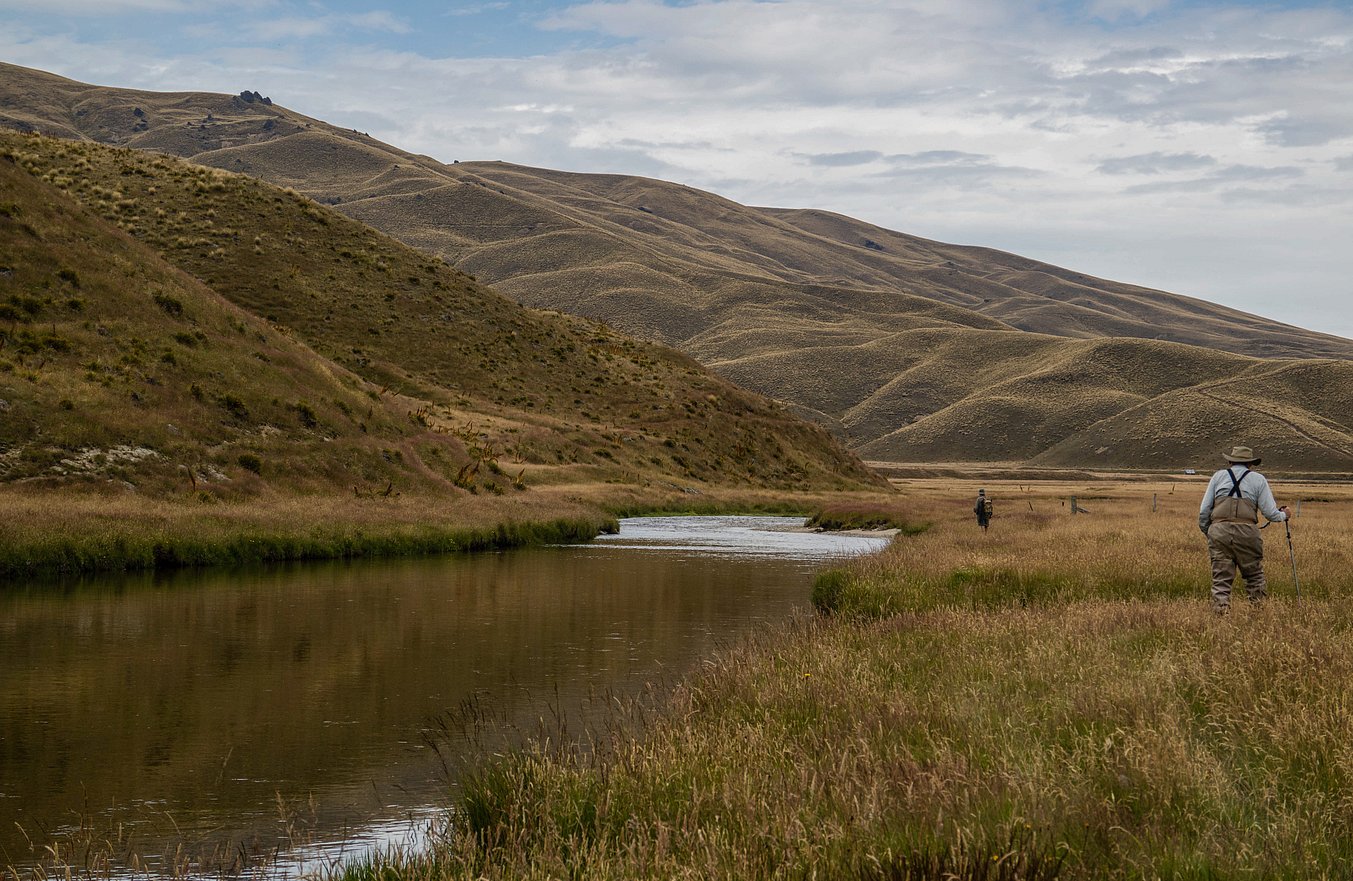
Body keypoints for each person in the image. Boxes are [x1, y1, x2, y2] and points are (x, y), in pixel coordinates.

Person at [1198, 445, 1290, 612]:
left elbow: (1204, 511)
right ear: (1250, 464)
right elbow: (1270, 514)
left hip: (1219, 531)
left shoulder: (1218, 476)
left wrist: (1209, 532)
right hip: (1247, 532)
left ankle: (1220, 615)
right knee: (1254, 576)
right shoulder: (1258, 479)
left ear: (1231, 461)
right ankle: (1258, 613)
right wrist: (1285, 515)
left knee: (1221, 579)